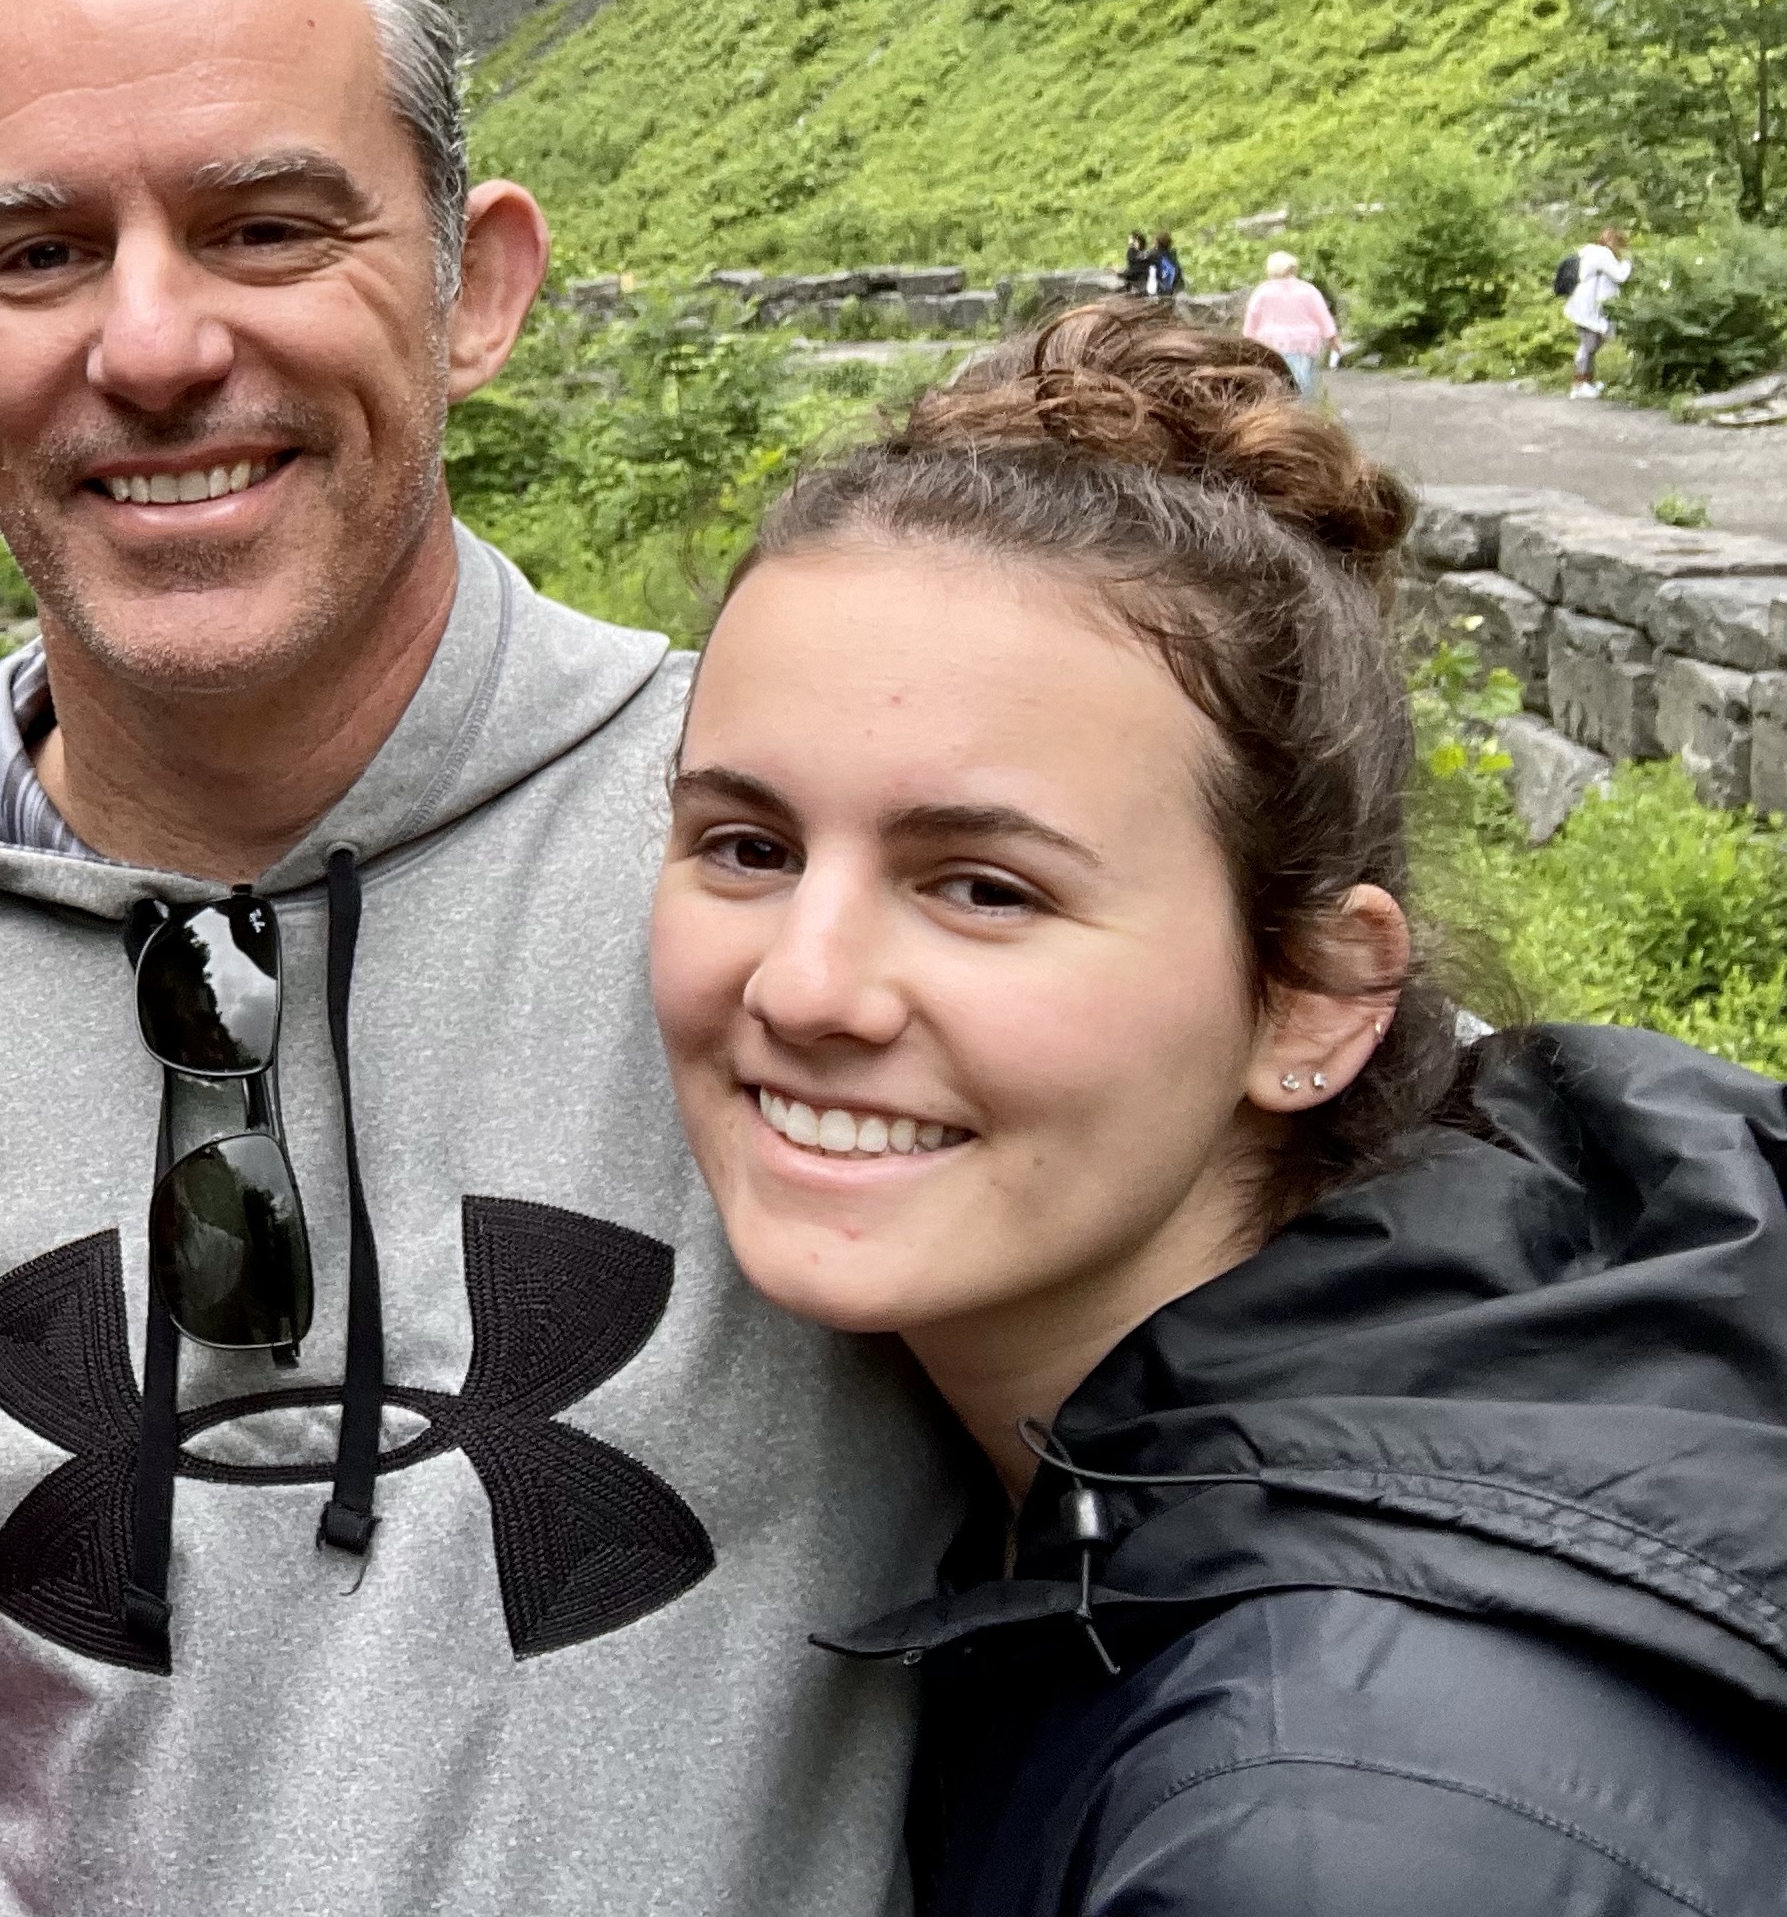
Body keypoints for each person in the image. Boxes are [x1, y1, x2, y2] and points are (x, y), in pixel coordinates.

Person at [0, 0, 955, 1917]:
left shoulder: (810, 875)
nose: (151, 348)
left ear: (477, 282)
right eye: (43, 254)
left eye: (266, 227)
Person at [650, 300, 1787, 1915]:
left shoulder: (1325, 1824)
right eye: (745, 846)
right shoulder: (1530, 1313)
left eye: (980, 884)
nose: (804, 983)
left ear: (1312, 993)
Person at [1234, 247, 1338, 405]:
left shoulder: (1262, 292)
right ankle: (1304, 411)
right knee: (1304, 379)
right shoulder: (1307, 290)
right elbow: (1321, 314)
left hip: (1271, 342)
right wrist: (1332, 336)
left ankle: (1282, 408)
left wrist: (1248, 339)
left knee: (1276, 379)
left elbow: (1252, 318)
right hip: (1304, 343)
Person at [1567, 221, 1634, 395]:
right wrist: (1628, 262)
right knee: (1588, 344)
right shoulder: (1602, 254)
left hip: (1586, 303)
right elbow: (1620, 275)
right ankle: (1580, 384)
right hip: (1590, 305)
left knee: (1591, 343)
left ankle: (1586, 381)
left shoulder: (1591, 252)